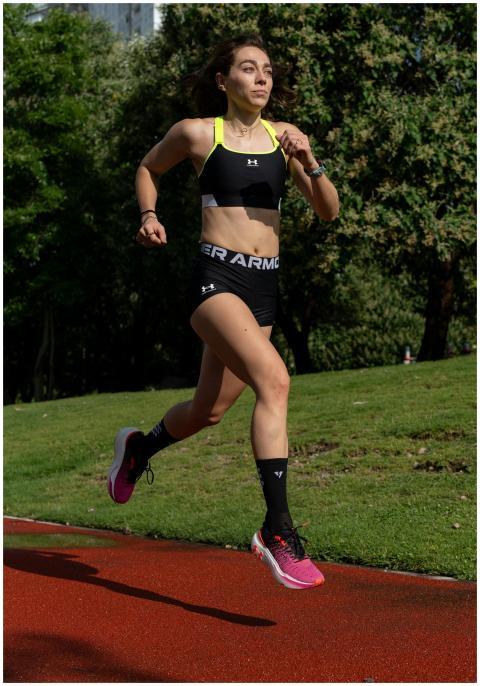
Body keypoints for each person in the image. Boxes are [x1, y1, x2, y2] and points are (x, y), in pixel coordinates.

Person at [107, 34, 339, 590]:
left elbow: (327, 211)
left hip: (264, 288)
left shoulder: (286, 142)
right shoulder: (197, 132)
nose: (261, 78)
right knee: (275, 382)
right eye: (248, 69)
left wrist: (311, 161)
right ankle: (277, 530)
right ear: (223, 80)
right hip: (217, 279)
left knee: (209, 411)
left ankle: (139, 449)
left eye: (267, 71)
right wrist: (148, 214)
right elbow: (147, 167)